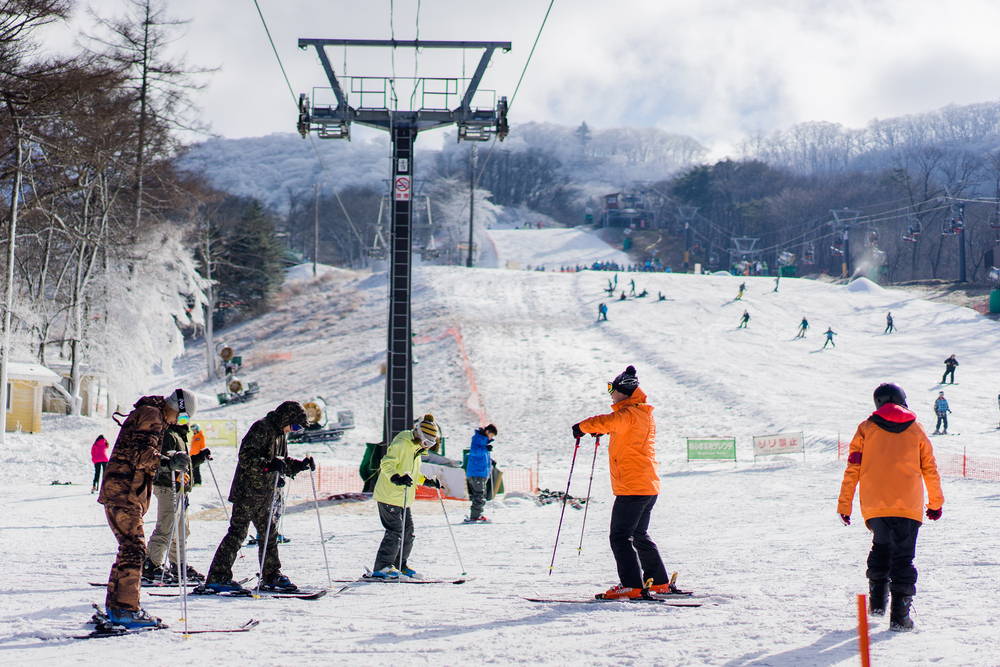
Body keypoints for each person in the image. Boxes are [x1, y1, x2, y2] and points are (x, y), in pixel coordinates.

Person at [837, 383, 943, 631]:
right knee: (903, 556)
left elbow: (853, 468)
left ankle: (877, 605)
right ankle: (899, 617)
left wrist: (845, 504)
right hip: (908, 505)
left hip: (875, 506)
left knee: (881, 547)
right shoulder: (916, 428)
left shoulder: (865, 428)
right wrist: (935, 503)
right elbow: (930, 467)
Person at [98, 388, 196, 629]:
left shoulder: (150, 413)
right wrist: (168, 461)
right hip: (125, 490)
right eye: (182, 417)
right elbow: (140, 455)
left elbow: (141, 449)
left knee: (129, 549)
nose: (178, 422)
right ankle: (126, 610)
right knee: (135, 549)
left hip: (122, 489)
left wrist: (165, 458)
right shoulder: (152, 414)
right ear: (177, 407)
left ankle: (116, 607)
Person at [572, 366, 670, 599]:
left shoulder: (627, 415)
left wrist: (582, 427)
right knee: (639, 534)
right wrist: (606, 432)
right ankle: (657, 582)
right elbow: (621, 429)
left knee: (619, 536)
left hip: (632, 487)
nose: (611, 395)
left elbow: (607, 421)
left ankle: (632, 586)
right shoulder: (641, 413)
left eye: (612, 389)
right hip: (647, 486)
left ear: (623, 392)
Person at [203, 401, 314, 593]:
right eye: (294, 425)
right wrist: (267, 466)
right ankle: (217, 576)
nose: (293, 430)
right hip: (247, 491)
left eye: (297, 428)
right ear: (286, 418)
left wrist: (299, 465)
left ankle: (271, 575)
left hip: (266, 493)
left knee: (269, 534)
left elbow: (281, 462)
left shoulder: (280, 434)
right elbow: (245, 456)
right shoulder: (261, 427)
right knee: (238, 533)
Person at [370, 414, 443, 579]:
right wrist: (396, 477)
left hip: (403, 499)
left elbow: (413, 474)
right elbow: (387, 463)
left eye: (431, 444)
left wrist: (427, 481)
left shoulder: (415, 449)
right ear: (419, 434)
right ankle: (382, 568)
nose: (427, 447)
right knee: (395, 531)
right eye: (427, 442)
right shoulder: (402, 444)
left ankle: (399, 565)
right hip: (389, 495)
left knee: (408, 533)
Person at [144, 421, 212, 584]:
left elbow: (183, 465)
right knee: (166, 528)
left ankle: (178, 565)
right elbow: (163, 463)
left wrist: (198, 459)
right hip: (169, 488)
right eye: (182, 417)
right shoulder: (169, 434)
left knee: (181, 530)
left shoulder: (180, 435)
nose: (186, 422)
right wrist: (174, 475)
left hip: (181, 490)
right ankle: (150, 566)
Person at [464, 424, 498, 523]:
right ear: (487, 432)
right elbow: (474, 452)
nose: (491, 438)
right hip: (476, 472)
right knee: (479, 494)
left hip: (481, 472)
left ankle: (477, 513)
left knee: (480, 494)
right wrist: (485, 449)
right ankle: (475, 515)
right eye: (491, 435)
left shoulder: (483, 440)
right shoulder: (478, 438)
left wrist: (491, 461)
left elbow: (482, 456)